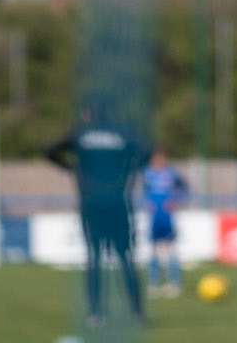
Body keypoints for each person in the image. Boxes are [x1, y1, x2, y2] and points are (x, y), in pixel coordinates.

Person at [46, 101, 148, 325]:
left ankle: (95, 313)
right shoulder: (122, 133)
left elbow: (49, 150)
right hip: (118, 202)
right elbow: (147, 152)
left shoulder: (81, 134)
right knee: (126, 258)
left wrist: (72, 168)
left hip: (91, 203)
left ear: (87, 113)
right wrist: (128, 170)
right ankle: (137, 312)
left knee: (94, 257)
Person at [142, 149, 189, 297]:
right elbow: (144, 191)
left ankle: (174, 282)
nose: (158, 161)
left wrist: (178, 201)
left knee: (171, 250)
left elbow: (184, 187)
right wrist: (146, 202)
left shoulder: (171, 173)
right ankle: (154, 283)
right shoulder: (147, 173)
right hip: (154, 218)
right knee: (153, 250)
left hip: (167, 218)